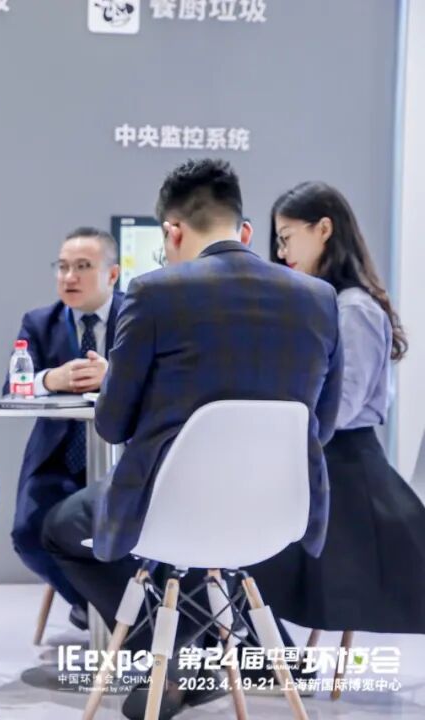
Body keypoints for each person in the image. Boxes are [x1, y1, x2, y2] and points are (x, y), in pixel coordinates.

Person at [41, 159, 343, 719]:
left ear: (172, 232)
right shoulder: (318, 297)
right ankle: (196, 652)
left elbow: (112, 424)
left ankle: (175, 654)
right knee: (176, 542)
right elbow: (320, 427)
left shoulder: (153, 293)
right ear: (243, 229)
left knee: (59, 527)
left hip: (172, 513)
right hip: (275, 514)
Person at [248, 181, 425, 633]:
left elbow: (342, 406)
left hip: (344, 471)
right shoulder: (328, 305)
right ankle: (273, 660)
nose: (281, 252)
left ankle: (272, 661)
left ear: (323, 229)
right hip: (322, 463)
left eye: (287, 237)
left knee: (244, 572)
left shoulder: (353, 310)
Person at [8, 227, 122, 631]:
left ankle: (118, 613)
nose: (69, 277)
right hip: (58, 460)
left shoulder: (139, 317)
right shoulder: (40, 322)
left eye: (83, 266)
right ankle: (93, 603)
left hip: (125, 459)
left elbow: (161, 379)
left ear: (112, 274)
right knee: (27, 534)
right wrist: (49, 379)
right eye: (62, 267)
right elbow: (13, 386)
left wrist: (115, 375)